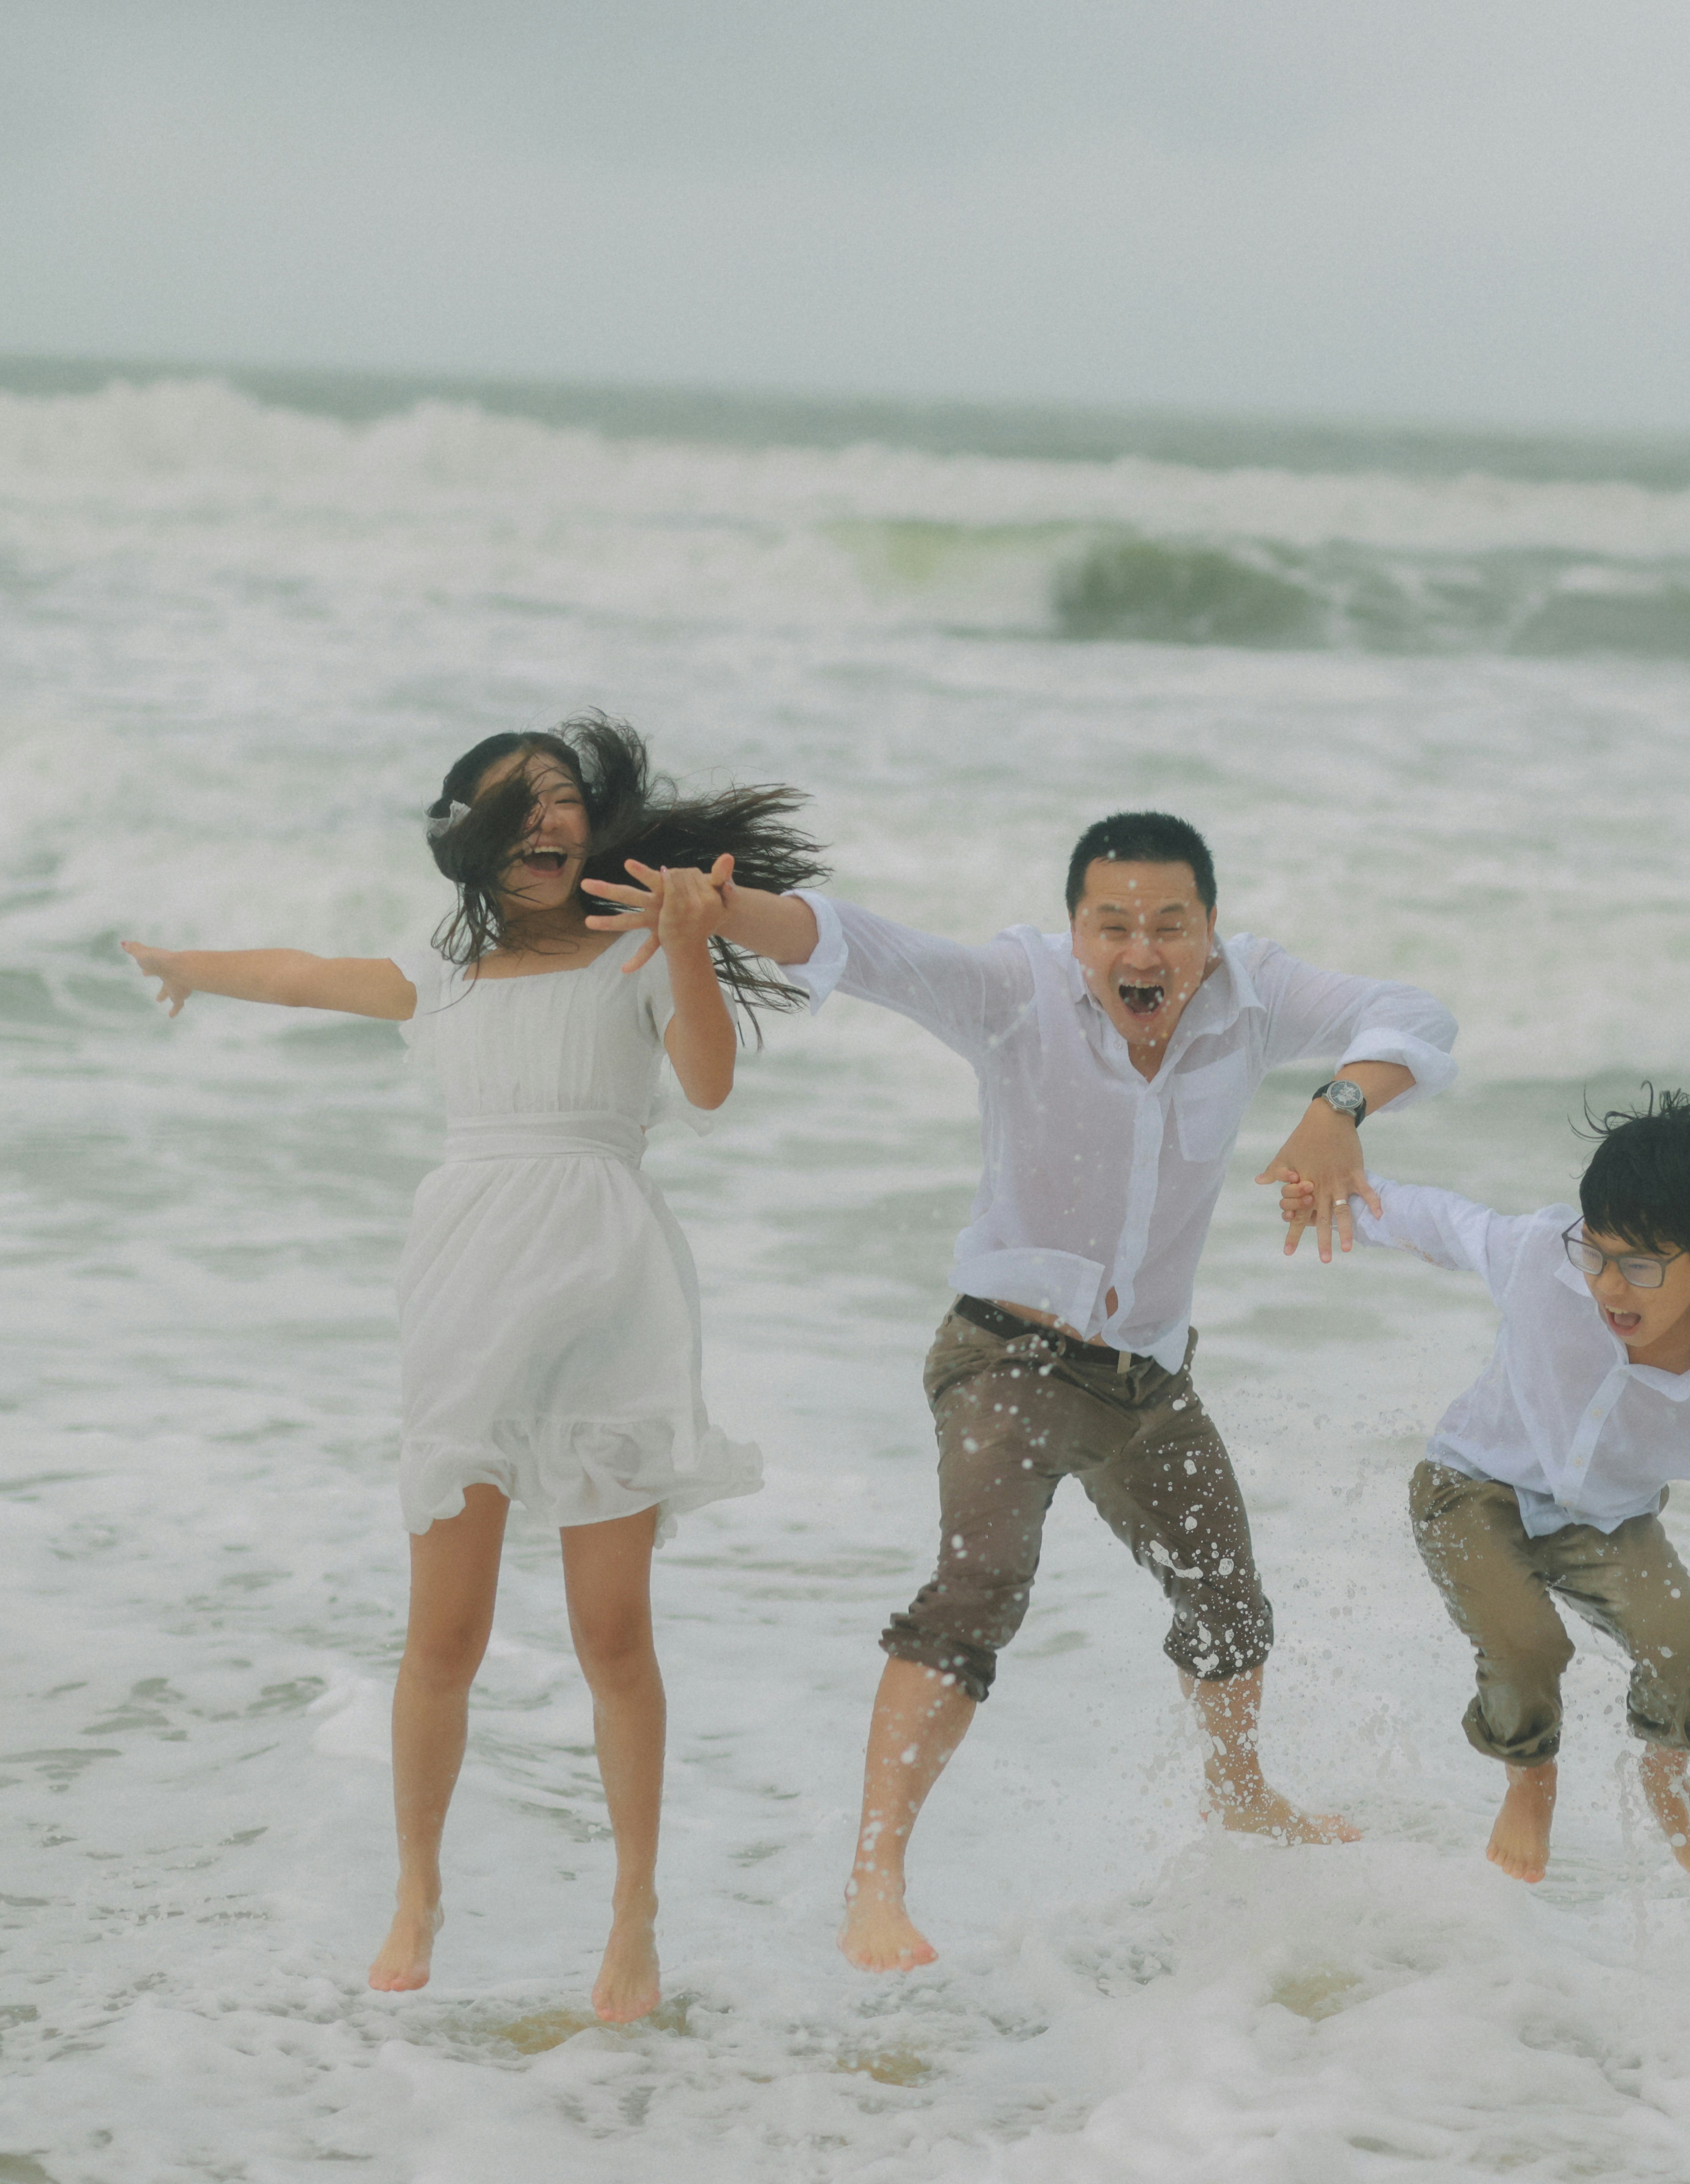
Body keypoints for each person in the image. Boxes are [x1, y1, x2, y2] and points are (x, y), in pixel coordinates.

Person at [584, 810, 1455, 1971]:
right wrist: (712, 911)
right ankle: (874, 1882)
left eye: (1169, 926)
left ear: (1208, 930)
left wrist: (1337, 1105)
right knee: (979, 1587)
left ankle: (1241, 1795)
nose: (1142, 953)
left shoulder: (1253, 995)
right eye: (1113, 927)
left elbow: (1418, 1015)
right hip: (1006, 1358)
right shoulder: (1013, 990)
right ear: (1075, 932)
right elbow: (852, 942)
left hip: (1146, 1378)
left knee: (1231, 1607)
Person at [119, 717, 817, 2024]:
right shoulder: (441, 983)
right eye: (520, 804)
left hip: (614, 1298)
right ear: (473, 840)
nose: (550, 820)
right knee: (447, 1632)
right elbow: (304, 973)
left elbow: (711, 1088)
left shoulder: (638, 963)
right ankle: (417, 1889)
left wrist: (682, 937)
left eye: (564, 800)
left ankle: (633, 1916)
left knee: (614, 1631)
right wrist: (188, 968)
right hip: (467, 1297)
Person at [1287, 1091, 1690, 1884]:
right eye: (1599, 1254)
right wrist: (1336, 1202)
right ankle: (1530, 1777)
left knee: (1685, 1660)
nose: (1612, 1288)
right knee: (1528, 1646)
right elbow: (1443, 1223)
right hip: (1471, 1487)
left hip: (1608, 1523)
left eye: (1642, 1267)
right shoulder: (1545, 1257)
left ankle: (1667, 1779)